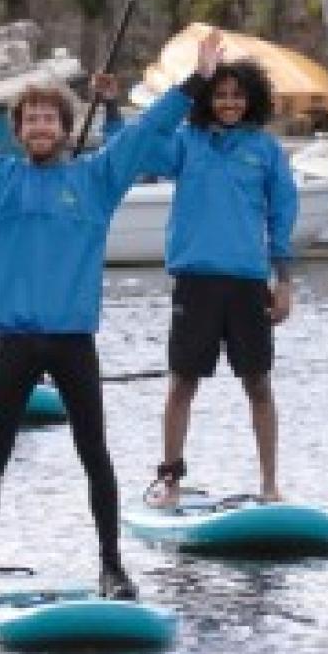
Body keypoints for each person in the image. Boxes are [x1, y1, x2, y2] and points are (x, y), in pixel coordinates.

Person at [0, 48, 214, 602]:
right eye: (31, 120)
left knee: (94, 454)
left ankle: (112, 568)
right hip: (14, 343)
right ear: (19, 131)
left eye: (50, 119)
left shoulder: (98, 179)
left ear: (65, 129)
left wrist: (196, 81)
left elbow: (149, 129)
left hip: (73, 343)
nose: (41, 127)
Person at [130, 31, 299, 507]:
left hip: (248, 283)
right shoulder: (186, 143)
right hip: (195, 282)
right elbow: (142, 143)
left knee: (259, 384)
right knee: (182, 383)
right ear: (207, 99)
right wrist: (186, 85)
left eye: (237, 95)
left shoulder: (266, 150)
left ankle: (270, 484)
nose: (229, 103)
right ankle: (170, 480)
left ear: (251, 99)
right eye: (220, 94)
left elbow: (282, 214)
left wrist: (284, 280)